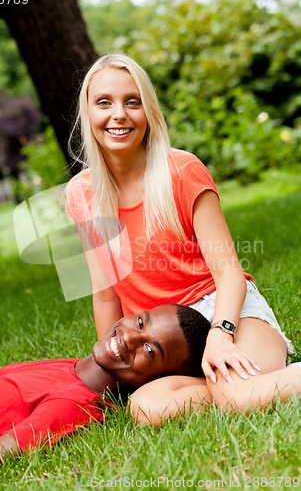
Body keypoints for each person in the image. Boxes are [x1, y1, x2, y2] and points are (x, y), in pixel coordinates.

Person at [66, 52, 297, 424]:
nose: (119, 114)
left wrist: (220, 337)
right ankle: (240, 387)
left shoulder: (182, 170)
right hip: (160, 341)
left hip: (223, 311)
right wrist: (111, 368)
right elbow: (105, 292)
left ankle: (240, 386)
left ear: (149, 112)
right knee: (146, 409)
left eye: (132, 102)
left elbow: (229, 274)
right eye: (104, 103)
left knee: (238, 394)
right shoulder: (81, 194)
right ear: (88, 113)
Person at [0, 304, 210, 474]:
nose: (130, 338)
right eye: (140, 322)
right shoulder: (71, 368)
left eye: (149, 351)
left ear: (155, 380)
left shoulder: (72, 404)